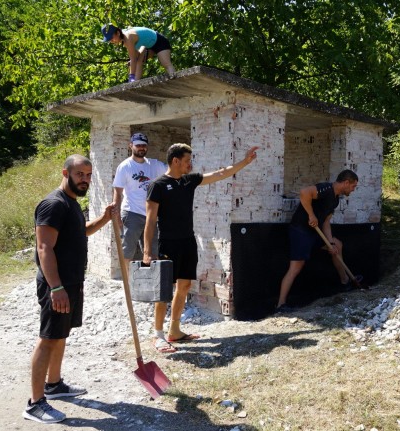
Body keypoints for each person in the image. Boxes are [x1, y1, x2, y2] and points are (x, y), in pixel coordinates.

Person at [24, 155, 115, 424]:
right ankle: (35, 404)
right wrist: (56, 287)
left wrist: (104, 218)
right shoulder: (54, 204)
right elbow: (44, 248)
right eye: (79, 175)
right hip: (57, 284)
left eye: (88, 175)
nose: (85, 180)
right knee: (48, 337)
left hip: (71, 282)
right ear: (66, 173)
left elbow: (79, 232)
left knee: (60, 334)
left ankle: (54, 385)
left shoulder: (71, 203)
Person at [143, 143, 258, 353]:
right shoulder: (157, 186)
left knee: (184, 286)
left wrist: (245, 162)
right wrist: (147, 252)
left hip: (188, 241)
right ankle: (158, 335)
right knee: (164, 291)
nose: (191, 164)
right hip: (168, 243)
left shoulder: (189, 181)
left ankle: (174, 331)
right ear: (175, 161)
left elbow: (220, 174)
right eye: (187, 161)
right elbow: (150, 221)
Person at [276, 170, 359, 313]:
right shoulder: (326, 189)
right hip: (300, 231)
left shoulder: (335, 199)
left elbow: (326, 223)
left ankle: (345, 282)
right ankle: (280, 305)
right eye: (353, 186)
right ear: (346, 182)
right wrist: (311, 215)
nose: (353, 189)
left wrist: (330, 244)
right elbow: (304, 193)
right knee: (296, 267)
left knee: (337, 245)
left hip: (315, 233)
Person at [112, 132, 167, 268]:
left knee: (153, 252)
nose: (141, 148)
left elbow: (171, 170)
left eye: (144, 145)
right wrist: (117, 216)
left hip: (151, 215)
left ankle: (151, 279)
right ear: (131, 146)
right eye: (138, 145)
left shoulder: (154, 164)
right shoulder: (125, 166)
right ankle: (128, 280)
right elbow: (117, 192)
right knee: (128, 251)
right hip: (132, 213)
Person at [101, 24, 176, 82]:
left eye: (111, 38)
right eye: (109, 40)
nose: (111, 41)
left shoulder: (128, 37)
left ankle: (175, 80)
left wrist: (131, 76)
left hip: (159, 42)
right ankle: (135, 83)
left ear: (118, 33)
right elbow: (135, 58)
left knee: (166, 63)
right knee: (138, 60)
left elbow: (133, 59)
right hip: (148, 46)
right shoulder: (124, 38)